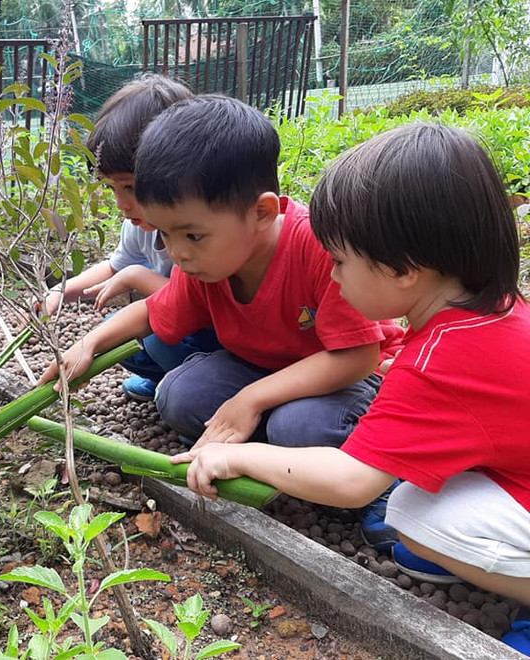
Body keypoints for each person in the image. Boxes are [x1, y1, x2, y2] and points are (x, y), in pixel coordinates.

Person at [171, 123, 530, 655]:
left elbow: (352, 483)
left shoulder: (438, 360)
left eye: (340, 261)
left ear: (404, 268)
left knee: (410, 512)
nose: (333, 279)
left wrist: (242, 457)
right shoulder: (492, 310)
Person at [40, 95, 403, 453]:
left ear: (261, 212)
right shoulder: (204, 259)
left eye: (192, 235)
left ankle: (378, 470)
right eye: (166, 234)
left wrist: (251, 399)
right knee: (179, 397)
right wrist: (89, 344)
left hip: (348, 377)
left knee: (300, 427)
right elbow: (153, 312)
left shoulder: (315, 246)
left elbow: (358, 357)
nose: (177, 252)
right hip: (259, 367)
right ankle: (271, 443)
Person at [43, 73, 219, 402]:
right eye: (112, 188)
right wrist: (60, 291)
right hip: (181, 327)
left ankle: (198, 392)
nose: (122, 204)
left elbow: (205, 307)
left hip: (217, 336)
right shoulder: (139, 223)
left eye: (131, 187)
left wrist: (136, 276)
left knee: (152, 336)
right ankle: (171, 381)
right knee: (119, 332)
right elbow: (115, 265)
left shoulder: (206, 233)